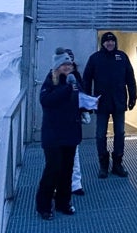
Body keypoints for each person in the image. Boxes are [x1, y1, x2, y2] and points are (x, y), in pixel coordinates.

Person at [34, 51, 83, 220]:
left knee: (67, 170)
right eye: (64, 65)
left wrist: (86, 107)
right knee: (53, 169)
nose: (68, 67)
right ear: (57, 67)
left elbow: (79, 98)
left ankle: (64, 202)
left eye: (70, 64)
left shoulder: (74, 80)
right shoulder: (50, 81)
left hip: (70, 132)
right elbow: (46, 101)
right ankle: (44, 206)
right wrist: (67, 89)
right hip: (53, 135)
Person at [82, 31, 137, 179]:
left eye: (112, 41)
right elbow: (86, 79)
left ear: (115, 42)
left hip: (119, 102)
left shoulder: (122, 57)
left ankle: (118, 164)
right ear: (102, 43)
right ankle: (103, 165)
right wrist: (88, 101)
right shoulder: (95, 58)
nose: (110, 43)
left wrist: (133, 96)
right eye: (107, 41)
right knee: (100, 135)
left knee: (120, 133)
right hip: (101, 103)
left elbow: (130, 78)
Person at [55, 47, 88, 196]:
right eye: (65, 62)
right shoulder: (54, 79)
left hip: (73, 122)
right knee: (58, 156)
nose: (68, 65)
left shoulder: (76, 77)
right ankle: (58, 186)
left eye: (70, 61)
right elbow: (48, 100)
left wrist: (85, 110)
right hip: (59, 124)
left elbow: (81, 95)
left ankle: (76, 184)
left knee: (74, 155)